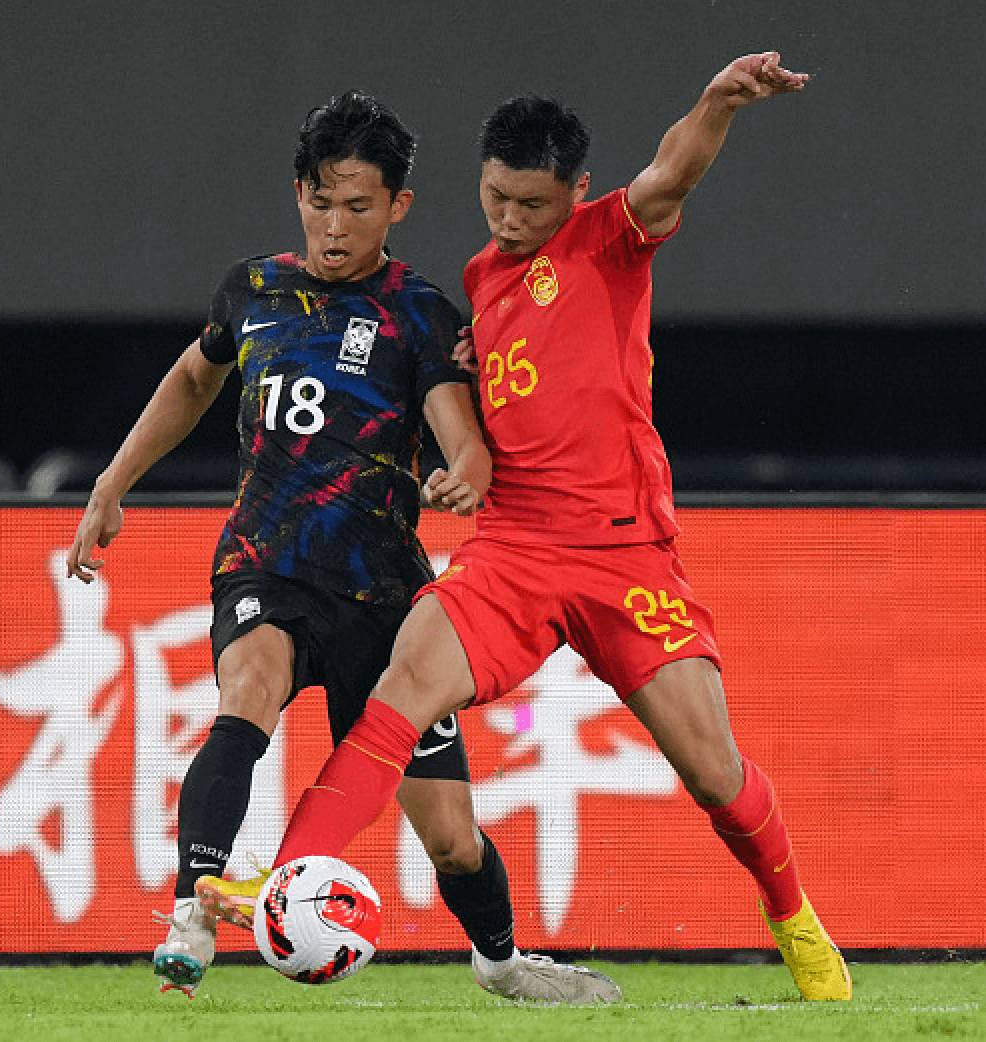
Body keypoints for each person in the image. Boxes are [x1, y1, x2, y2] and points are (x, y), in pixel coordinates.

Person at [249, 54, 853, 1003]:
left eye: (532, 204)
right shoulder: (481, 282)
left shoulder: (610, 237)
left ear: (576, 190)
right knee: (399, 694)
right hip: (513, 551)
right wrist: (463, 462)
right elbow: (487, 416)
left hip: (622, 553)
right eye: (496, 197)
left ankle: (795, 918)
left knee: (714, 774)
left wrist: (717, 103)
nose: (510, 218)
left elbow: (672, 171)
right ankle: (288, 882)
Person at [66, 91, 621, 1005]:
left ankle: (502, 963)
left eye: (358, 207)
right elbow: (192, 380)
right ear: (299, 194)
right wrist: (110, 484)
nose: (334, 226)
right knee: (247, 692)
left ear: (398, 206)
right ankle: (192, 911)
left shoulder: (421, 312)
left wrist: (467, 471)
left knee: (451, 837)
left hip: (385, 598)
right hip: (266, 563)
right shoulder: (252, 290)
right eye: (320, 203)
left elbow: (462, 433)